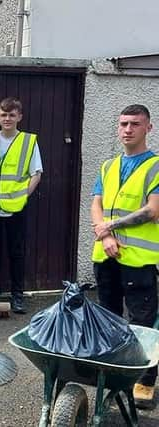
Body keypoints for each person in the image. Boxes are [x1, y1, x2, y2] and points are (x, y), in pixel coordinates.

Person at [91, 104, 159, 409]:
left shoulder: (155, 166)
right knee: (109, 320)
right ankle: (116, 376)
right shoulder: (108, 166)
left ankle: (145, 381)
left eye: (134, 124)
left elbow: (153, 210)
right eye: (122, 124)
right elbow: (96, 204)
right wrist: (105, 235)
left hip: (139, 261)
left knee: (142, 325)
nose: (127, 129)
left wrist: (111, 226)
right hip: (106, 256)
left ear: (148, 128)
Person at [0, 97, 43, 314]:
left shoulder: (28, 141)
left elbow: (36, 174)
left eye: (12, 115)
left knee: (17, 252)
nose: (7, 118)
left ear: (19, 117)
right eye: (3, 115)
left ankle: (17, 295)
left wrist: (23, 197)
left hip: (16, 208)